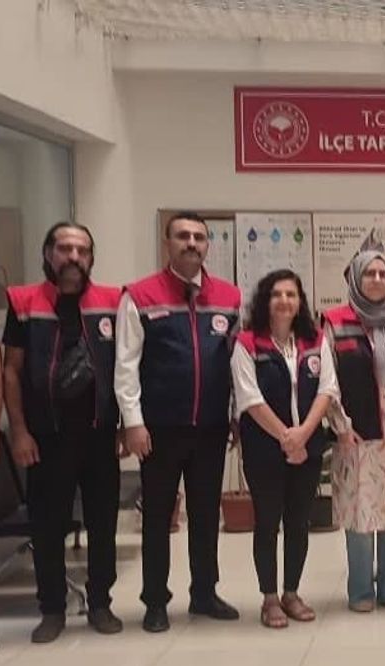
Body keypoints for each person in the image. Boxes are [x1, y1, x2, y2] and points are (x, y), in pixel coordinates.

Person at [115, 211, 243, 632]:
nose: (192, 243)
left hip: (210, 427)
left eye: (199, 237)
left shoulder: (228, 296)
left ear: (207, 245)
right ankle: (155, 600)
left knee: (206, 514)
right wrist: (133, 422)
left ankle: (204, 592)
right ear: (167, 243)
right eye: (183, 236)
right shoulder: (140, 295)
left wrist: (236, 416)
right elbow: (126, 365)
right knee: (158, 516)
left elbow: (236, 363)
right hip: (159, 429)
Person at [2, 222, 124, 642]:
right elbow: (11, 372)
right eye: (65, 248)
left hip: (100, 433)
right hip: (45, 437)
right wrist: (19, 431)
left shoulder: (113, 301)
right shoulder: (24, 302)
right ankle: (52, 608)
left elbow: (127, 368)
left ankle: (101, 603)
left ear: (91, 258)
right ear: (48, 253)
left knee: (103, 522)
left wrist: (126, 424)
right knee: (47, 525)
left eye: (82, 250)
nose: (74, 257)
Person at [233, 269, 337, 628]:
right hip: (264, 449)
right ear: (265, 300)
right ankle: (269, 598)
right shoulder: (247, 343)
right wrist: (286, 438)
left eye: (291, 294)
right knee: (267, 522)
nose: (284, 301)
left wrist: (303, 435)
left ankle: (291, 593)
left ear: (300, 301)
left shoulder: (315, 340)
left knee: (298, 522)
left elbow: (327, 389)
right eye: (277, 294)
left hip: (308, 449)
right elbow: (250, 398)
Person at [325, 252, 385, 612]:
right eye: (370, 274)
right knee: (360, 516)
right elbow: (328, 381)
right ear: (355, 279)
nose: (377, 280)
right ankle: (361, 591)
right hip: (355, 436)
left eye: (383, 274)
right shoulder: (336, 322)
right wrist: (341, 426)